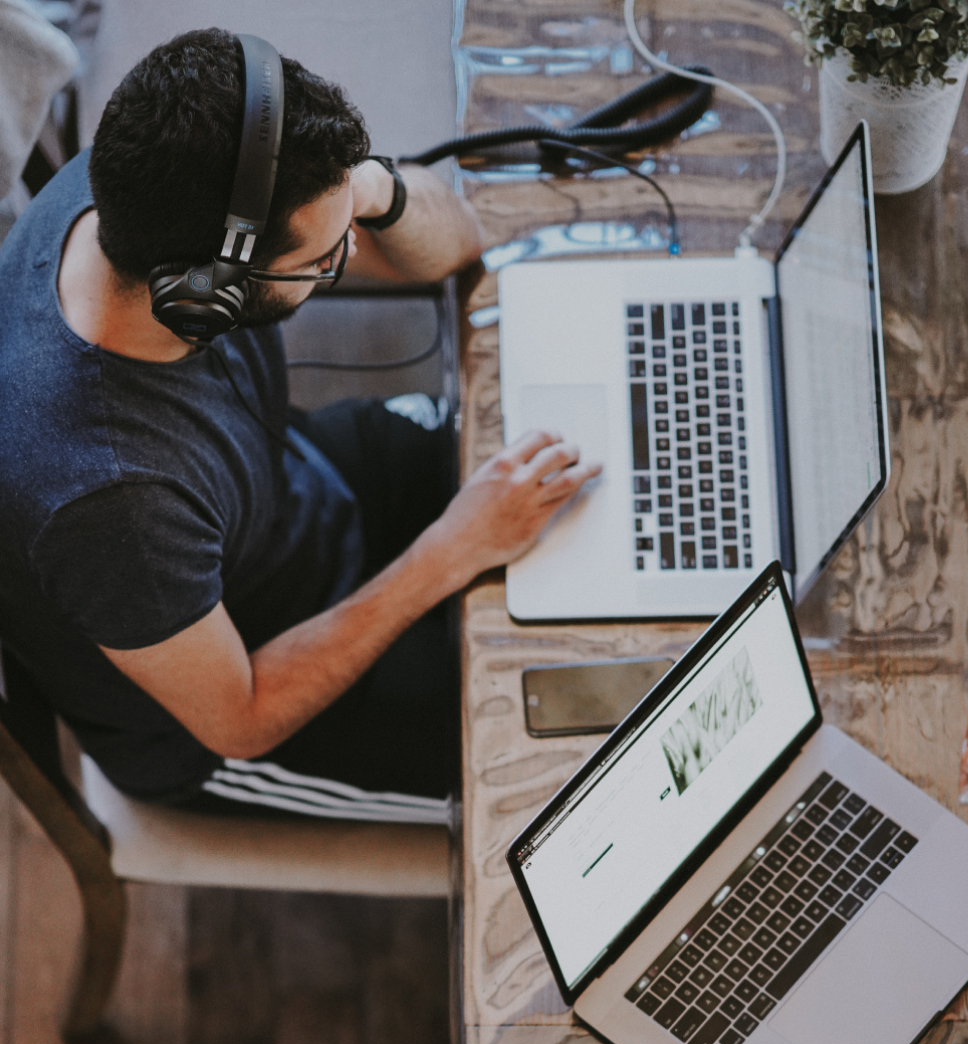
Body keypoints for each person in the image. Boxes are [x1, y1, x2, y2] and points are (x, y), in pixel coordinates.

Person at [0, 28, 600, 817]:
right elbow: (239, 718)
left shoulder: (146, 182)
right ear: (206, 293)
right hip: (245, 698)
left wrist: (368, 188)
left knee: (585, 484)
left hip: (291, 495)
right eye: (324, 259)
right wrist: (451, 551)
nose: (349, 250)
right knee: (565, 746)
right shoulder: (108, 503)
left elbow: (457, 244)